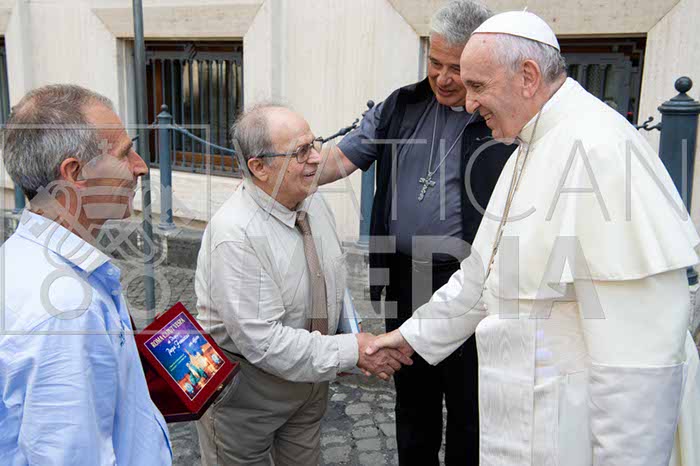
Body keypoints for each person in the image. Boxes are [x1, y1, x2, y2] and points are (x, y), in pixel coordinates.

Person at [368, 11, 700, 466]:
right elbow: (482, 278)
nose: (469, 103)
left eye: (477, 86)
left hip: (574, 438)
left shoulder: (603, 152)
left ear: (527, 76)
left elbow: (638, 372)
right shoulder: (530, 144)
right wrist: (409, 337)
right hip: (527, 427)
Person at [318, 1, 512, 464]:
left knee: (469, 402)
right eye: (434, 62)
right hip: (404, 275)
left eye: (456, 68)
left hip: (469, 282)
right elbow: (340, 159)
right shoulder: (402, 104)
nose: (442, 78)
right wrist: (278, 173)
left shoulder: (499, 116)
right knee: (412, 396)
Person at [194, 103, 412, 466]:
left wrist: (351, 334)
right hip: (247, 395)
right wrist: (352, 350)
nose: (316, 158)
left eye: (314, 144)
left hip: (310, 384)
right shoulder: (236, 234)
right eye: (300, 152)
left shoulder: (311, 200)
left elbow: (327, 276)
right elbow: (264, 342)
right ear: (259, 167)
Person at [0, 84, 172, 465]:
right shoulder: (65, 308)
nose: (141, 166)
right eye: (124, 154)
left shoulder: (27, 260)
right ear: (74, 173)